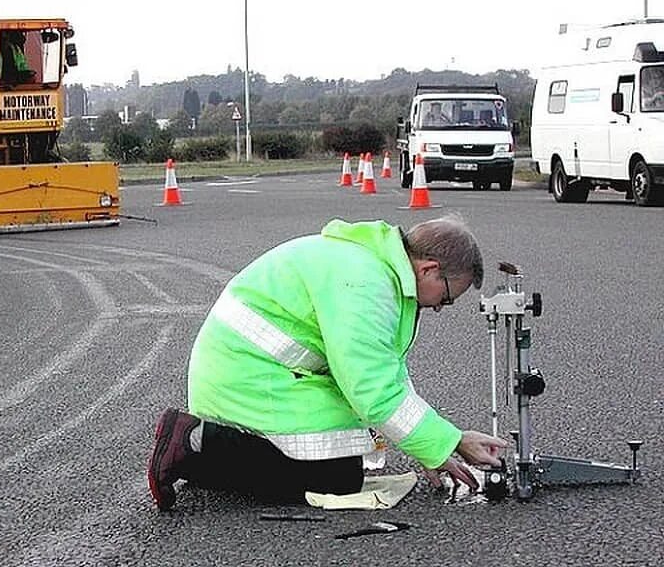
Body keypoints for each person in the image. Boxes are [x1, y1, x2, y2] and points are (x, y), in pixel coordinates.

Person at [147, 215, 507, 511]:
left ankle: (208, 460)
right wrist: (449, 443)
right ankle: (197, 445)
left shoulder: (372, 264)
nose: (441, 308)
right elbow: (372, 390)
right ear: (429, 269)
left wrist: (437, 444)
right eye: (446, 297)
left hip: (249, 373)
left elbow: (385, 373)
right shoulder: (366, 283)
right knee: (334, 480)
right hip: (245, 379)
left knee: (344, 467)